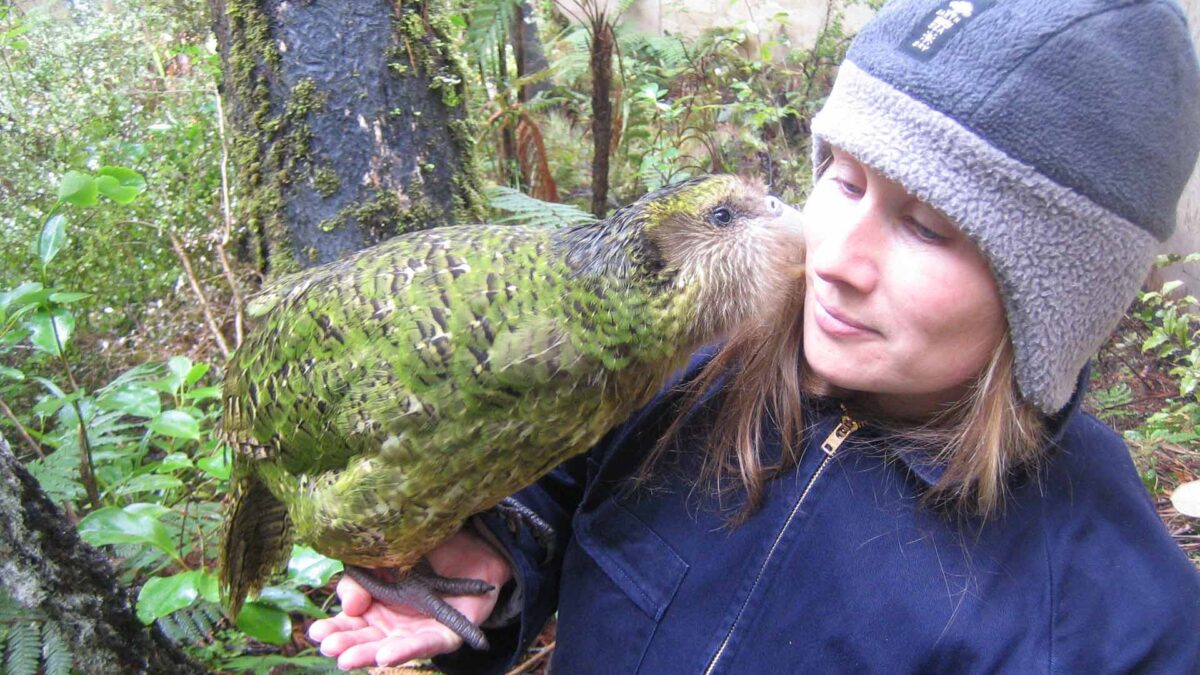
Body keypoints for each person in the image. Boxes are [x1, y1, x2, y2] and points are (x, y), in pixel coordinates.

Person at [308, 0, 1200, 671]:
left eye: (927, 227)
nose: (833, 254)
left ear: (1055, 299)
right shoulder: (680, 368)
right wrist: (499, 554)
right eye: (843, 182)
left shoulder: (1114, 618)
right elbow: (564, 478)